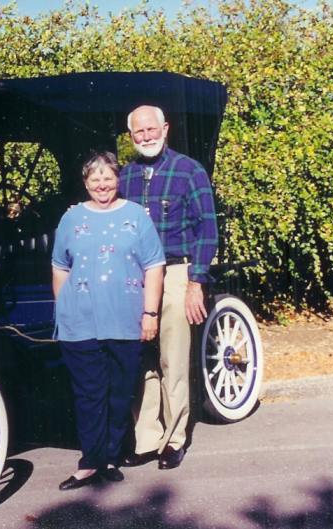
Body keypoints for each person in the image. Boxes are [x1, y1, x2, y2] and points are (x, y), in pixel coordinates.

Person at [52, 151, 165, 490]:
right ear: (85, 182)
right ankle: (89, 463)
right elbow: (60, 267)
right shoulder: (70, 219)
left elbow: (154, 266)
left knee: (119, 393)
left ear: (117, 179)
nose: (102, 184)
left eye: (107, 177)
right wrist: (65, 309)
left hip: (126, 321)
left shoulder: (136, 217)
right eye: (94, 179)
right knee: (89, 395)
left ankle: (111, 457)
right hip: (80, 324)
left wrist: (150, 313)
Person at [119, 105, 218, 470]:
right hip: (136, 278)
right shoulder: (124, 177)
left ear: (166, 128)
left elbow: (207, 230)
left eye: (151, 129)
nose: (146, 137)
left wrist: (197, 282)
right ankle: (146, 439)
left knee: (171, 359)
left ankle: (174, 440)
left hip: (177, 273)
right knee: (139, 360)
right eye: (138, 132)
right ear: (131, 137)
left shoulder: (190, 171)